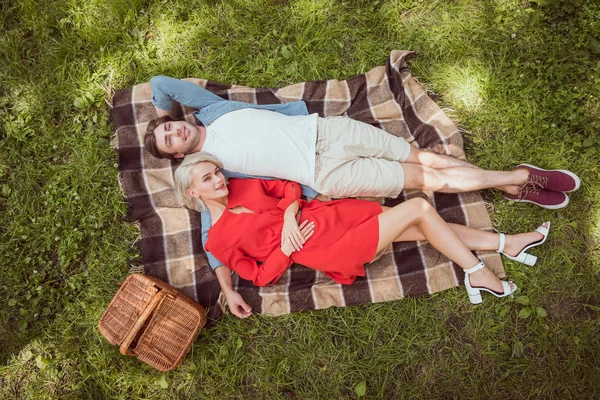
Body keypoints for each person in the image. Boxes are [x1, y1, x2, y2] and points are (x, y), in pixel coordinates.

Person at [174, 153, 552, 315]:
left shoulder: (242, 187)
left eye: (217, 172)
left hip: (335, 214)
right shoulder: (216, 240)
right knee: (419, 208)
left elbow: (289, 188)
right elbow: (258, 275)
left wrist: (290, 215)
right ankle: (477, 273)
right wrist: (288, 247)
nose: (219, 179)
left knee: (422, 229)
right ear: (195, 193)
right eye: (208, 179)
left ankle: (508, 244)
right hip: (327, 247)